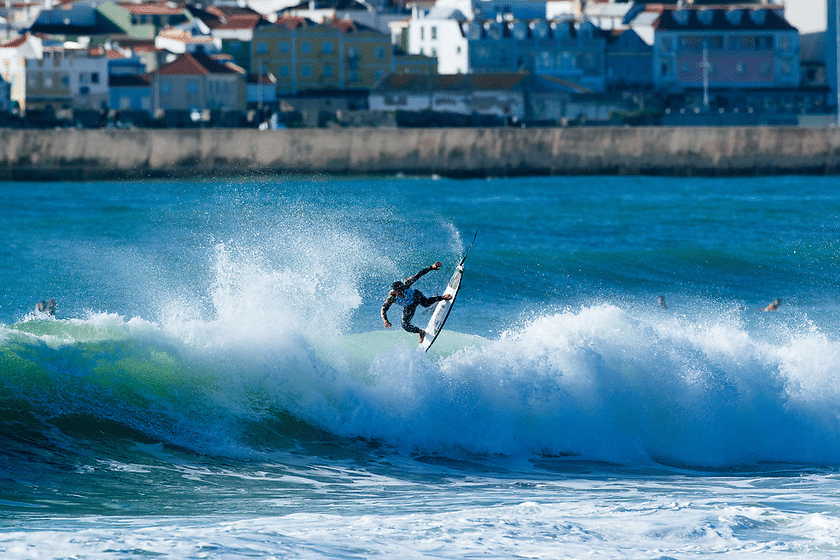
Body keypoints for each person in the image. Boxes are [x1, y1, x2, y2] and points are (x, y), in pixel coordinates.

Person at [382, 261, 452, 343]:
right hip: (408, 306)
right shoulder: (392, 297)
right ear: (395, 291)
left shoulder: (405, 284)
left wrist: (431, 267)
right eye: (400, 292)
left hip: (416, 296)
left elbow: (419, 275)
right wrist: (385, 320)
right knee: (405, 326)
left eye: (403, 290)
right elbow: (383, 310)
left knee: (426, 304)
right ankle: (420, 332)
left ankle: (442, 297)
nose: (403, 292)